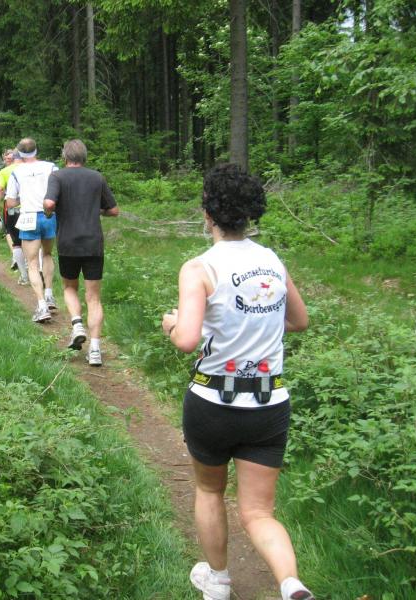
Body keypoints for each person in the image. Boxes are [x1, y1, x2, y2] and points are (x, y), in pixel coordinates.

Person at [160, 163, 313, 600]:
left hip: (213, 401)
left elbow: (187, 340)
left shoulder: (199, 267)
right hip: (268, 403)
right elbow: (299, 321)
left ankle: (218, 582)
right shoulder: (271, 261)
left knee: (210, 491)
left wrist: (171, 324)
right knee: (260, 512)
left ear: (207, 213)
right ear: (250, 214)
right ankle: (291, 583)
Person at [43, 139, 119, 366]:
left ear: (65, 156)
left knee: (69, 287)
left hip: (68, 242)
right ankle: (95, 350)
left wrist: (49, 212)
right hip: (93, 243)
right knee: (94, 297)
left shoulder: (57, 177)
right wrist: (97, 211)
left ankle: (77, 324)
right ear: (84, 157)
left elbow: (49, 203)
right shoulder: (97, 177)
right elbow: (114, 210)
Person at [5, 137, 59, 323]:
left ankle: (42, 305)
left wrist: (24, 197)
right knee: (48, 254)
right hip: (49, 215)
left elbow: (10, 202)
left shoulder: (16, 172)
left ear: (19, 153)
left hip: (29, 217)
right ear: (37, 150)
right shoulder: (51, 167)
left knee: (32, 262)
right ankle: (50, 294)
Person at [0, 149, 29, 285]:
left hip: (12, 209)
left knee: (16, 242)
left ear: (12, 158)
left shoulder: (5, 171)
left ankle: (24, 275)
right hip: (31, 207)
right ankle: (37, 269)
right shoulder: (31, 168)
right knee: (33, 238)